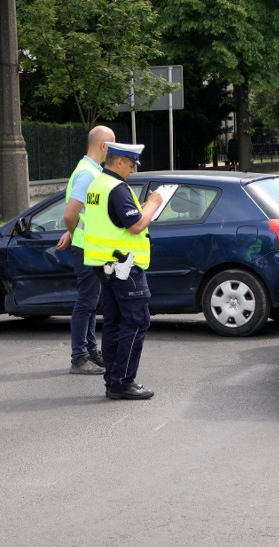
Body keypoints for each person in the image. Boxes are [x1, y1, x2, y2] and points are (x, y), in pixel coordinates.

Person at [81, 142, 162, 400]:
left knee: (115, 323)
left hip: (105, 266)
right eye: (130, 164)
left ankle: (114, 380)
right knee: (136, 322)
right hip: (123, 267)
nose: (133, 170)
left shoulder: (98, 185)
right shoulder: (116, 188)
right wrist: (153, 203)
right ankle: (123, 381)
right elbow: (136, 225)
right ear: (118, 161)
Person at [57, 125, 116, 375]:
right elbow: (70, 214)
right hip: (85, 247)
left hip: (88, 245)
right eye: (111, 146)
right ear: (103, 146)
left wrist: (73, 230)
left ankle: (90, 352)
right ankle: (79, 357)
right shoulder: (87, 174)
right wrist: (72, 232)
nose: (113, 150)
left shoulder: (91, 170)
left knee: (91, 302)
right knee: (86, 302)